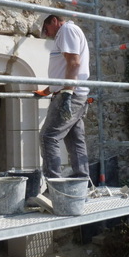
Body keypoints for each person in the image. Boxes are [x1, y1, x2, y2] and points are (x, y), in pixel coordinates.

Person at [35, 15, 90, 179]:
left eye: (46, 29)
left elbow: (74, 63)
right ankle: (81, 181)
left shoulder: (67, 30)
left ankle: (54, 186)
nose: (46, 34)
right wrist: (46, 91)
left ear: (54, 21)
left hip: (70, 95)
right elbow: (62, 70)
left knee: (48, 137)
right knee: (75, 139)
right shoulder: (66, 33)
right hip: (74, 94)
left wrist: (66, 93)